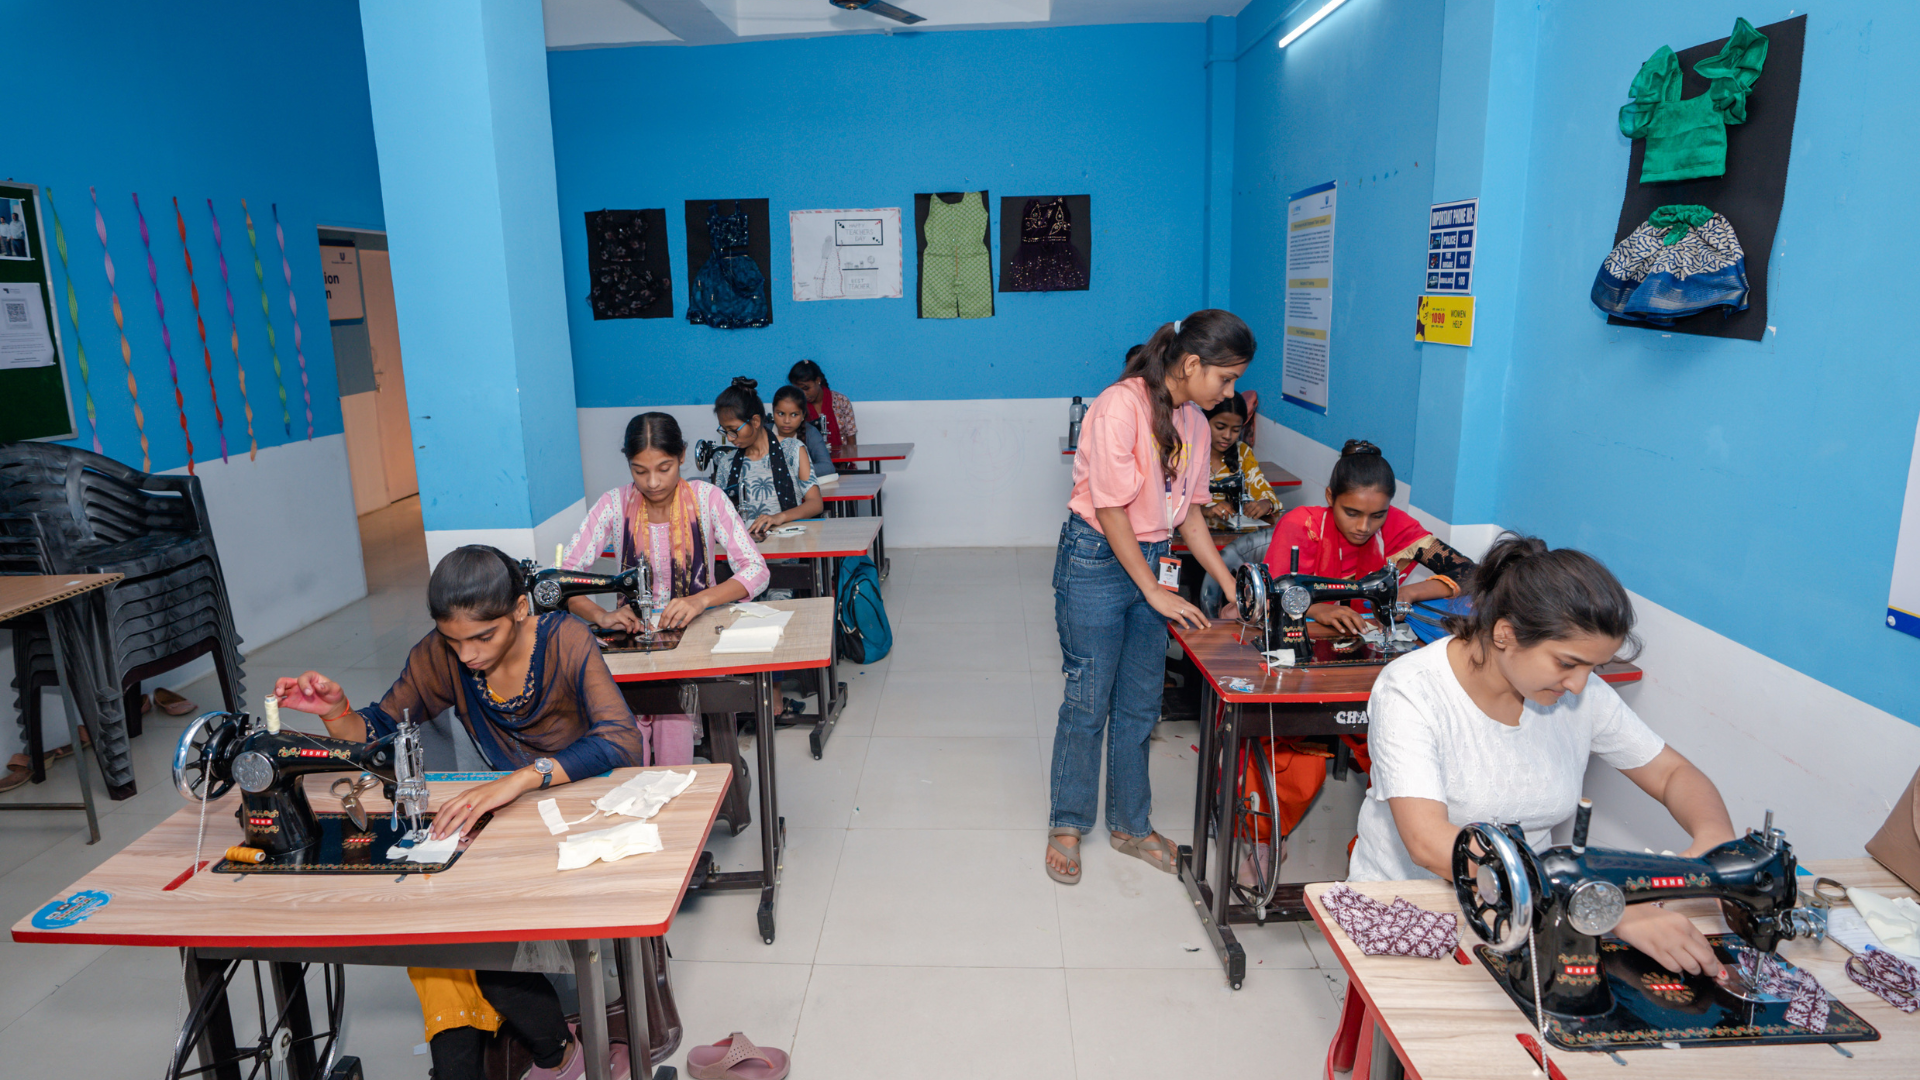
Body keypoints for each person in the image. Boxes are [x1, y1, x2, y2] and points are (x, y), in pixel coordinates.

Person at [272, 545, 646, 1080]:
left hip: (581, 807)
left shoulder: (566, 639)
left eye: (481, 638)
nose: (467, 655)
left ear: (520, 609)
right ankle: (537, 1057)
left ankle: (552, 1056)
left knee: (470, 941)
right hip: (509, 814)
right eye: (455, 640)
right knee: (439, 930)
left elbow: (621, 741)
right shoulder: (442, 656)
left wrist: (519, 779)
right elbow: (379, 731)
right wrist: (337, 712)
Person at [1353, 534, 1737, 978]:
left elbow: (1672, 773)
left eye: (1594, 668)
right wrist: (1598, 904)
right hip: (1409, 910)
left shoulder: (1579, 692)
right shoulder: (1411, 690)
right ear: (1505, 634)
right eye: (1568, 663)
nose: (1579, 684)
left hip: (1533, 906)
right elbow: (1428, 841)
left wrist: (1714, 841)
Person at [1046, 309, 1255, 885]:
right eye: (1226, 378)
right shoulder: (1121, 406)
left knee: (1141, 701)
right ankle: (1068, 821)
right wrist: (1154, 593)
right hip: (1097, 558)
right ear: (1191, 364)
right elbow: (1110, 509)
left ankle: (1130, 824)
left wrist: (1231, 582)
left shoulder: (1196, 423)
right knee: (1089, 697)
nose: (1231, 391)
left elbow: (1186, 512)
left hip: (1151, 563)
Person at [561, 411, 770, 765]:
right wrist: (602, 615)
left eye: (664, 467)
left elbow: (756, 570)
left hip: (697, 637)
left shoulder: (707, 499)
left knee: (674, 720)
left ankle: (677, 799)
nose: (653, 482)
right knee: (625, 731)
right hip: (633, 636)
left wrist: (700, 600)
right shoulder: (614, 505)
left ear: (682, 456)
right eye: (640, 471)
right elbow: (564, 578)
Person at [1251, 440, 1475, 635]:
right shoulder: (1302, 526)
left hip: (1362, 632)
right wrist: (1315, 609)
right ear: (1330, 496)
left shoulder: (1395, 525)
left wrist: (1409, 592)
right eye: (1351, 513)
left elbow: (1470, 573)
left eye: (1378, 515)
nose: (1364, 527)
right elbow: (1265, 596)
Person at [708, 376, 824, 541]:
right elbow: (719, 516)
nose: (730, 438)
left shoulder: (792, 451)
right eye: (725, 431)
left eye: (733, 430)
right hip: (744, 552)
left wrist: (779, 517)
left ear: (755, 421)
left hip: (788, 549)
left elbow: (815, 503)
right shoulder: (727, 463)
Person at [1196, 393, 1279, 615]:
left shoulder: (1242, 453)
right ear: (1204, 421)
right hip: (1194, 547)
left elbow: (1269, 496)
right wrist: (1204, 510)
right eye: (1220, 427)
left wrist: (1264, 504)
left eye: (1235, 429)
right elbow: (1174, 500)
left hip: (1234, 548)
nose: (1228, 436)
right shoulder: (1188, 453)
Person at [771, 384, 837, 483]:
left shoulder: (810, 433)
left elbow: (827, 467)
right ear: (773, 411)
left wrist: (790, 470)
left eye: (794, 415)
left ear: (803, 415)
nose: (787, 420)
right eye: (781, 414)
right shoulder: (763, 434)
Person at [787, 359, 856, 450]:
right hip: (808, 462)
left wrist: (849, 462)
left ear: (818, 380)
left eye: (806, 388)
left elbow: (851, 439)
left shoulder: (841, 401)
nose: (803, 394)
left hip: (842, 461)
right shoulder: (795, 405)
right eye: (798, 390)